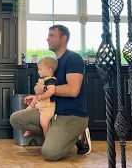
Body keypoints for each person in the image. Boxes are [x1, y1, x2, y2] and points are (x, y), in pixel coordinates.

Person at [10, 24, 91, 161]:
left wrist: (45, 90)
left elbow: (73, 90)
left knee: (50, 153)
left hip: (71, 115)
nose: (47, 39)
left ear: (63, 38)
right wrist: (37, 96)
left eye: (51, 35)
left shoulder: (73, 58)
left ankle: (80, 134)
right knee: (16, 119)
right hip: (52, 111)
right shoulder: (53, 63)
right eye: (48, 36)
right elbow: (48, 88)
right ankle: (56, 132)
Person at [23, 57, 58, 139]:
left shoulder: (51, 80)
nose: (38, 71)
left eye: (40, 69)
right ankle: (29, 129)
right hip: (39, 103)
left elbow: (51, 91)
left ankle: (47, 139)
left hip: (47, 106)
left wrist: (40, 97)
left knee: (44, 124)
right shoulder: (43, 79)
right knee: (26, 113)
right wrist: (34, 100)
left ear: (49, 69)